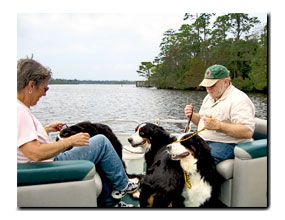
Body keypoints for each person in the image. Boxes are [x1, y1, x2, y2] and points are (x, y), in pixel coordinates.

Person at [17, 57, 139, 207]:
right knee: (101, 142)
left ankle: (111, 203)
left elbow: (24, 142)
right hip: (43, 167)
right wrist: (70, 141)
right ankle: (123, 184)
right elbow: (34, 153)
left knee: (101, 153)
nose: (45, 94)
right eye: (45, 88)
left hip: (38, 165)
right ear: (31, 85)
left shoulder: (17, 108)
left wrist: (46, 129)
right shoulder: (19, 111)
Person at [184, 64, 255, 164]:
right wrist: (191, 116)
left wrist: (219, 126)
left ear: (225, 82)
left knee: (196, 163)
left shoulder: (239, 100)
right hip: (204, 140)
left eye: (212, 85)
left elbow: (247, 132)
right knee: (174, 154)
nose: (208, 89)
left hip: (228, 144)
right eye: (206, 85)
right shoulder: (209, 97)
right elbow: (202, 122)